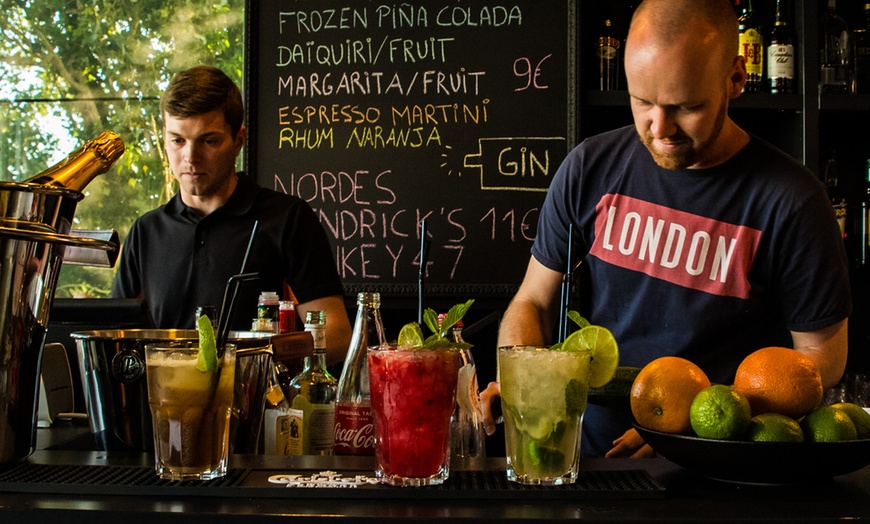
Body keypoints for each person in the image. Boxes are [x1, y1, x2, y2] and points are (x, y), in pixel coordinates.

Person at [481, 0, 851, 457]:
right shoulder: (589, 168)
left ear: (736, 78)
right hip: (588, 463)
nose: (660, 128)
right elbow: (533, 301)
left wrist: (692, 427)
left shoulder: (792, 200)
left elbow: (822, 359)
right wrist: (522, 379)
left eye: (685, 106)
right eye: (642, 102)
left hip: (718, 472)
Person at [111, 66, 352, 364]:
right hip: (163, 402)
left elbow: (337, 337)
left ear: (238, 140)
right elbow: (116, 336)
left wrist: (254, 354)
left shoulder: (287, 219)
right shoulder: (146, 231)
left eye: (208, 141)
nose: (190, 157)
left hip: (259, 404)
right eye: (177, 141)